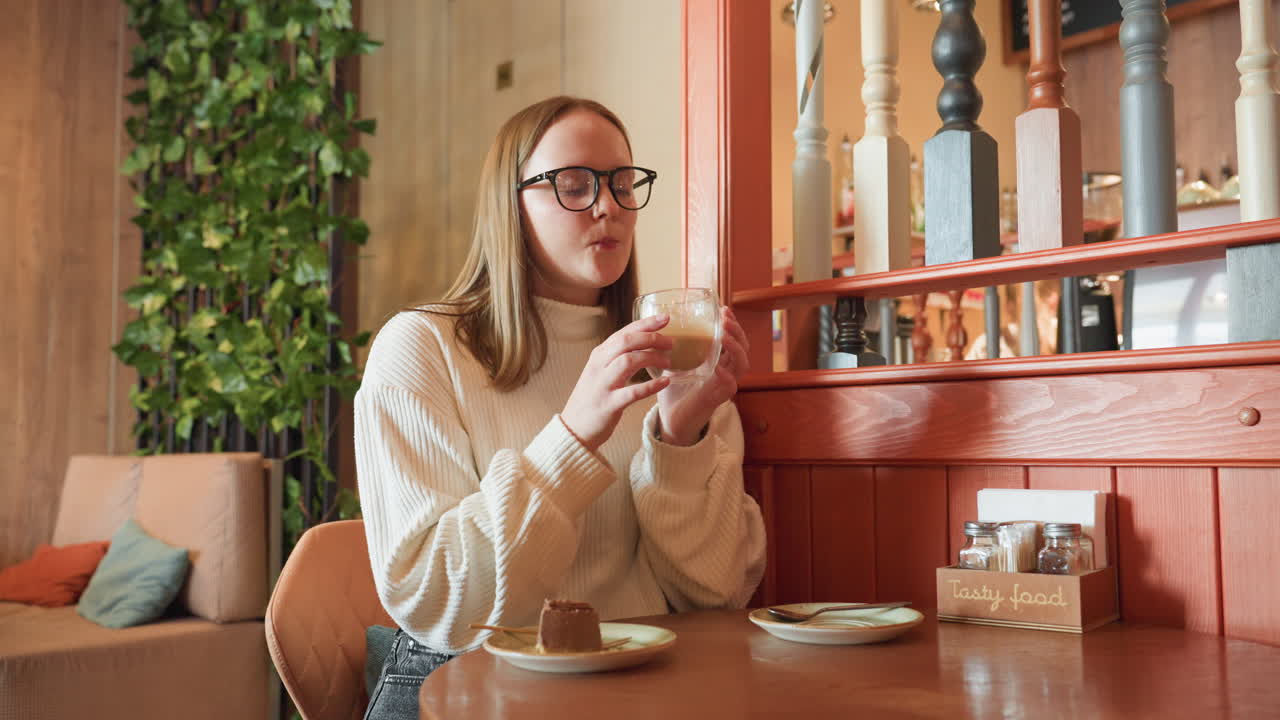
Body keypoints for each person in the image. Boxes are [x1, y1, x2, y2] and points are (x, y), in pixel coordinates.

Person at [355, 96, 766, 719]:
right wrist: (572, 438)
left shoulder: (677, 352)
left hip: (637, 684)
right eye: (574, 185)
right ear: (509, 206)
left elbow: (718, 592)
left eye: (623, 184)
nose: (608, 207)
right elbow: (435, 599)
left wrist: (682, 435)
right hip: (465, 684)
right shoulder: (422, 348)